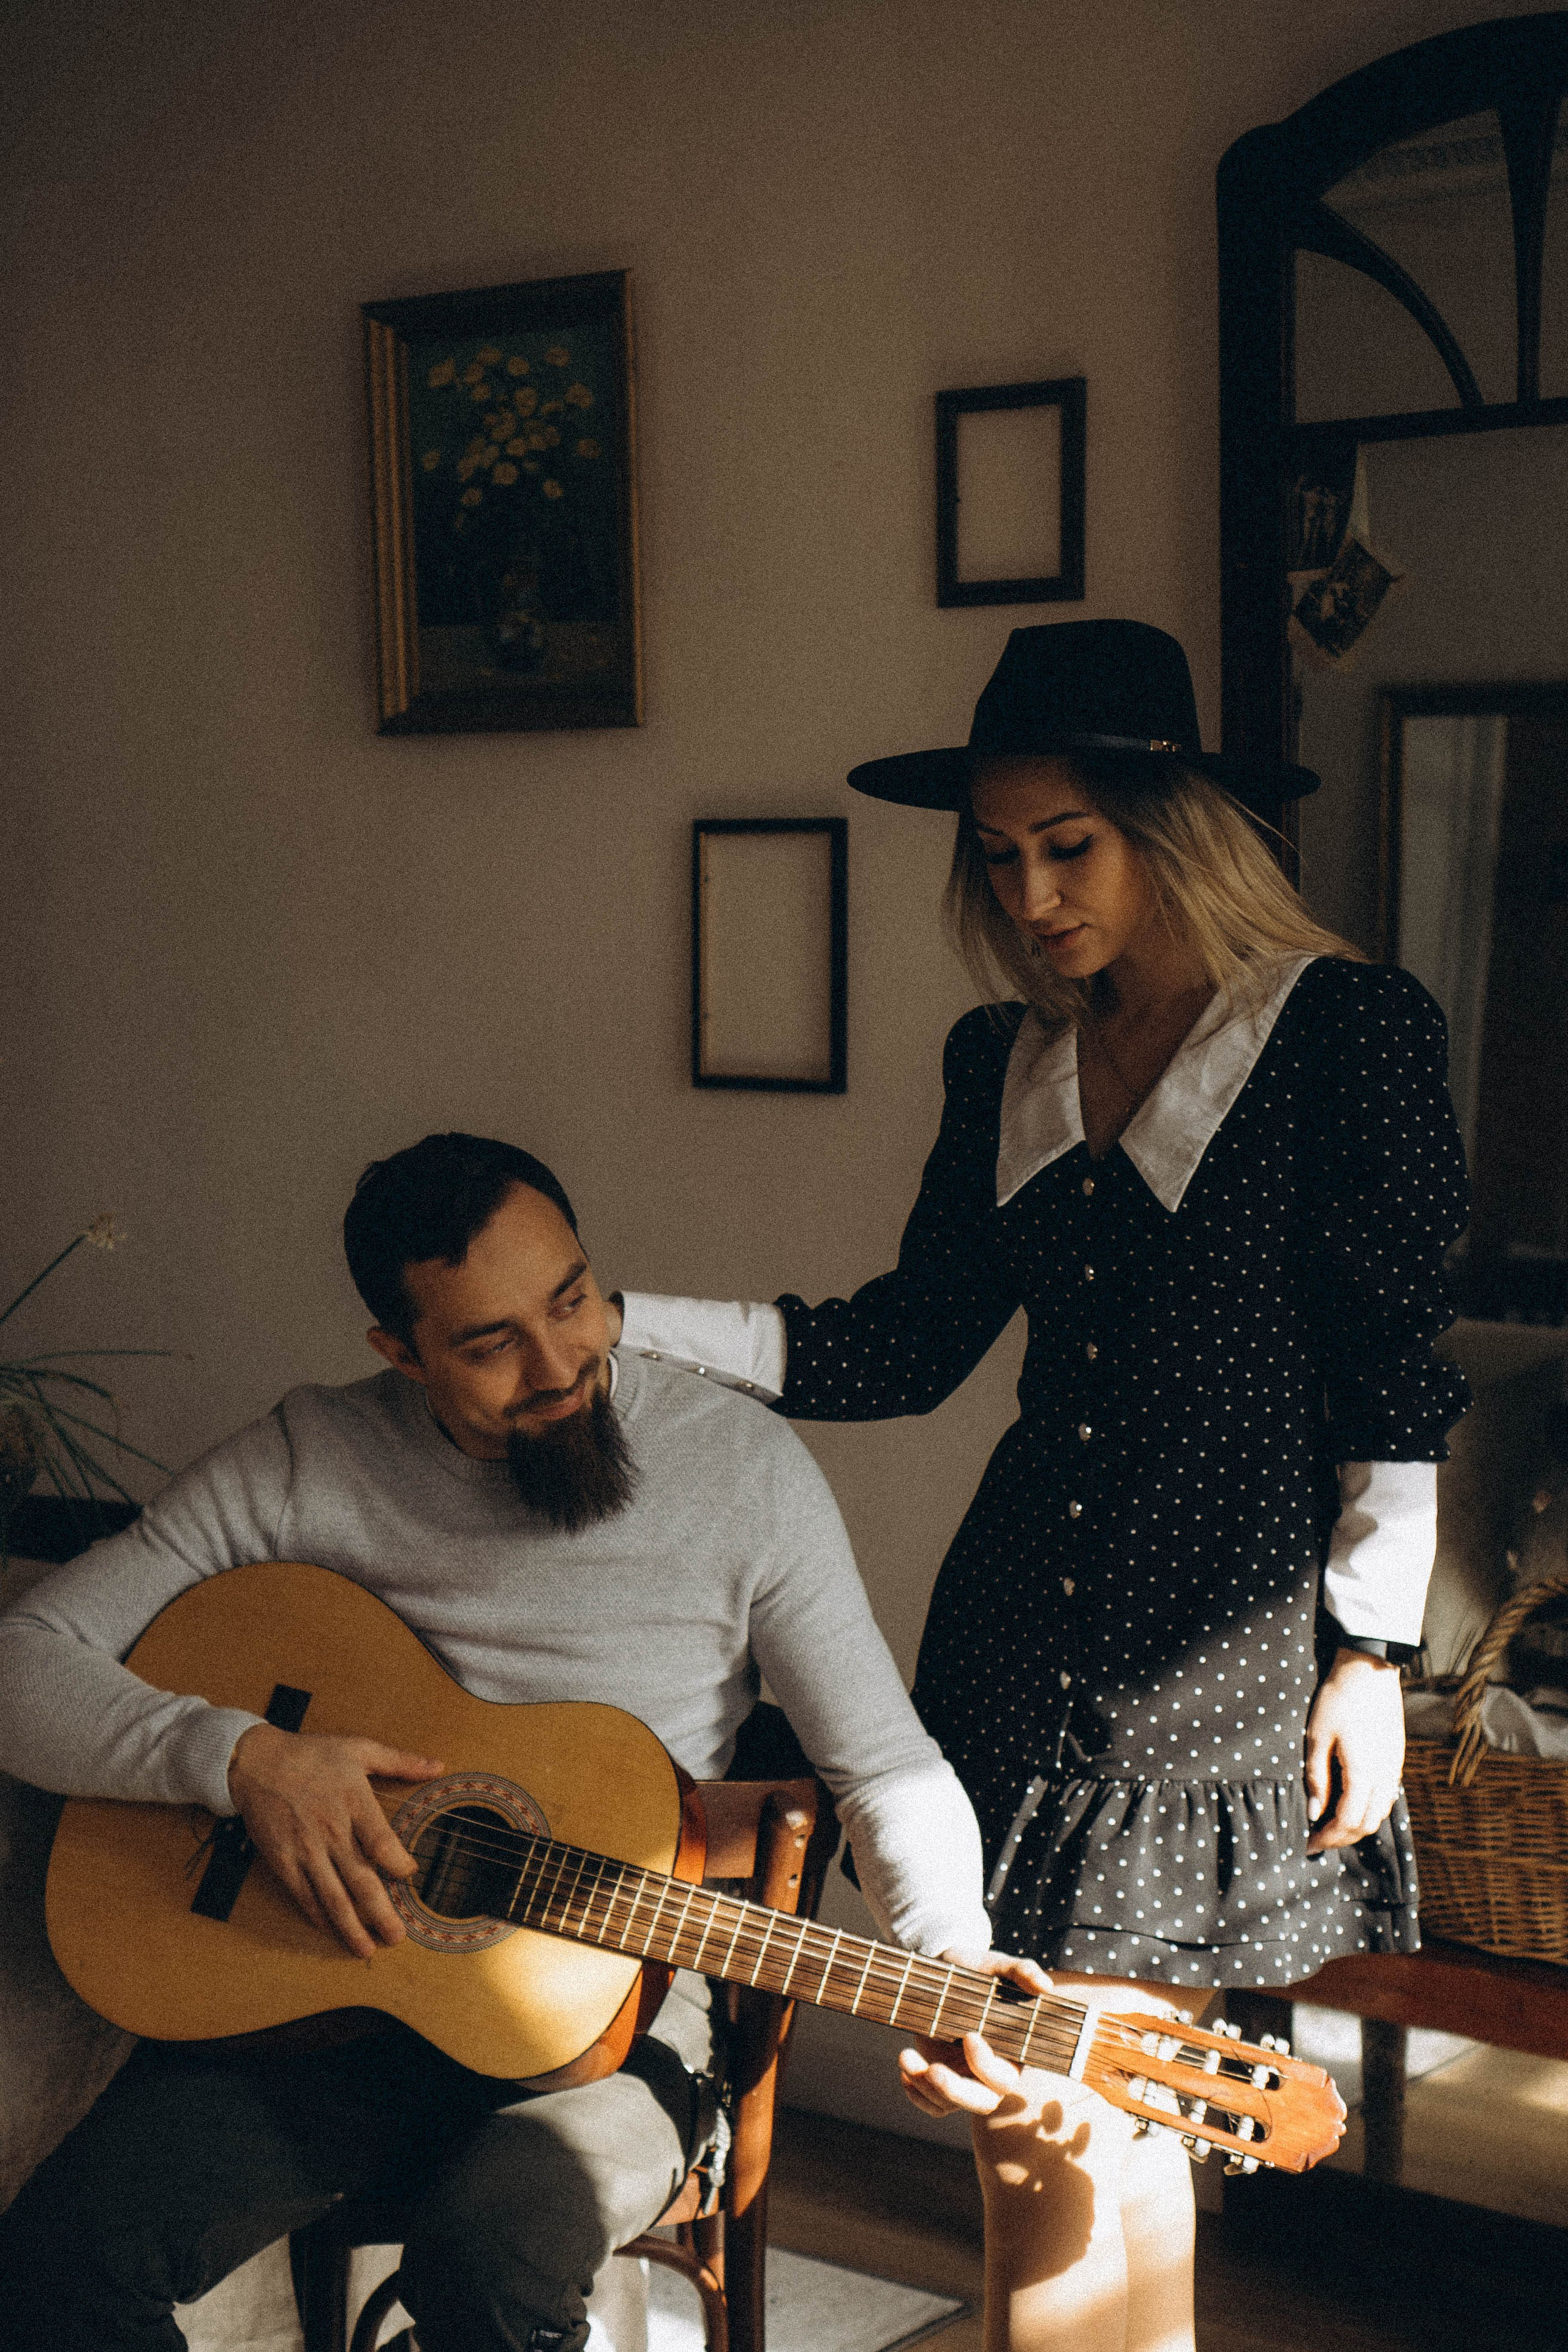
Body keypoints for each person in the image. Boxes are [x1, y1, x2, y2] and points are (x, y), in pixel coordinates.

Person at [613, 619, 1470, 2352]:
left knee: (1069, 2121)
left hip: (1215, 1650)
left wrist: (1372, 1652)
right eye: (999, 861)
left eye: (1066, 850)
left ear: (1173, 830)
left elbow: (1396, 1358)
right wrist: (617, 1322)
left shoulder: (1342, 1030)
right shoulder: (997, 1063)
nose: (1030, 898)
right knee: (1083, 2127)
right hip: (1015, 1641)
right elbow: (909, 1343)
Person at [0, 1132, 1009, 2352]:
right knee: (55, 2264)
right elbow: (25, 1663)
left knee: (490, 2263)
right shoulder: (309, 1455)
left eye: (572, 1299)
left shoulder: (741, 1469)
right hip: (331, 1990)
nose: (560, 1363)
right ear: (400, 1352)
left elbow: (880, 1762)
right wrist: (244, 1759)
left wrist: (953, 1960)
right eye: (488, 1344)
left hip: (622, 2000)